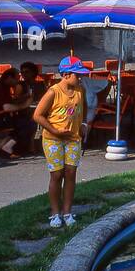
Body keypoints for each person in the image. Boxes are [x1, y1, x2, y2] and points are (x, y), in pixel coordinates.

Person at [32, 57, 90, 227]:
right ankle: (55, 212)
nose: (80, 78)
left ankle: (67, 211)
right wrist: (55, 130)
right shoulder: (53, 92)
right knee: (57, 174)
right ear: (65, 75)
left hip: (73, 139)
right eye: (77, 75)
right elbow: (37, 115)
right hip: (53, 139)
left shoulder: (80, 90)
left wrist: (84, 123)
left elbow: (84, 107)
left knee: (71, 173)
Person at [0, 68, 34, 157]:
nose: (17, 82)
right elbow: (7, 107)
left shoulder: (2, 86)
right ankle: (9, 148)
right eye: (16, 79)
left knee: (23, 121)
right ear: (9, 77)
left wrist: (23, 98)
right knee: (28, 124)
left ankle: (3, 145)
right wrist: (24, 105)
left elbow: (9, 102)